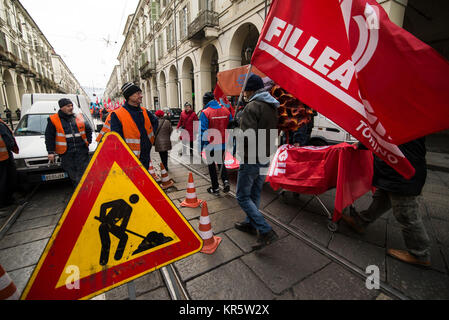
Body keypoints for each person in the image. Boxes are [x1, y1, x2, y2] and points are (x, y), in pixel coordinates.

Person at [341, 138, 431, 267]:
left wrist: (362, 144)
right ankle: (360, 222)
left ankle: (420, 253)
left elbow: (383, 138)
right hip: (394, 172)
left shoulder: (400, 123)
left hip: (402, 173)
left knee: (405, 212)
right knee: (381, 198)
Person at [234, 74, 280, 250]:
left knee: (242, 196)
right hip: (265, 155)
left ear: (251, 89)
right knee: (255, 193)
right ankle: (250, 222)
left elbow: (247, 136)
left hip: (251, 157)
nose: (244, 93)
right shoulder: (271, 105)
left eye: (245, 89)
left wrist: (237, 126)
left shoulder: (252, 106)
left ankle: (265, 230)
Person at [110, 82, 158, 170]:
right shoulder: (117, 115)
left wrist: (150, 139)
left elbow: (155, 121)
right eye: (138, 93)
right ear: (129, 96)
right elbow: (116, 140)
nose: (141, 96)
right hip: (129, 160)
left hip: (145, 155)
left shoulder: (144, 111)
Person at [45, 98, 92, 186]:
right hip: (66, 153)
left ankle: (82, 190)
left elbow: (88, 129)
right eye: (68, 106)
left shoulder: (78, 117)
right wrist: (50, 152)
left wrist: (88, 141)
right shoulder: (53, 119)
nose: (71, 108)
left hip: (81, 150)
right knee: (73, 174)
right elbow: (49, 136)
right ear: (61, 107)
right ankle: (80, 191)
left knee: (83, 172)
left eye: (71, 106)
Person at [199, 92, 232, 195]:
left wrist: (201, 147)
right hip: (223, 143)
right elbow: (231, 126)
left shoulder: (205, 112)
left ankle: (215, 188)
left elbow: (203, 132)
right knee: (221, 162)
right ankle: (225, 181)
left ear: (205, 101)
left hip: (211, 144)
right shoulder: (226, 110)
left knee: (212, 166)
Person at [0, 118, 19, 208]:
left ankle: (7, 199)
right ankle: (5, 200)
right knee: (6, 179)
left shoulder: (1, 122)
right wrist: (11, 145)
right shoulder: (1, 124)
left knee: (7, 178)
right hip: (3, 156)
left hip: (5, 155)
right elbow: (7, 139)